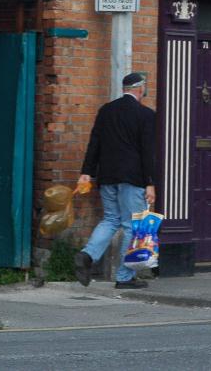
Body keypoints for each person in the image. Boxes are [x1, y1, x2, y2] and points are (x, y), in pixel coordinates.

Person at [74, 72, 156, 289]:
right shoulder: (145, 115)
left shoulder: (106, 111)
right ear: (140, 89)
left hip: (107, 176)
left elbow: (95, 143)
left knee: (110, 219)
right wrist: (150, 182)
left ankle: (87, 255)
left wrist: (87, 172)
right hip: (133, 177)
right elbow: (148, 152)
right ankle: (124, 277)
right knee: (132, 226)